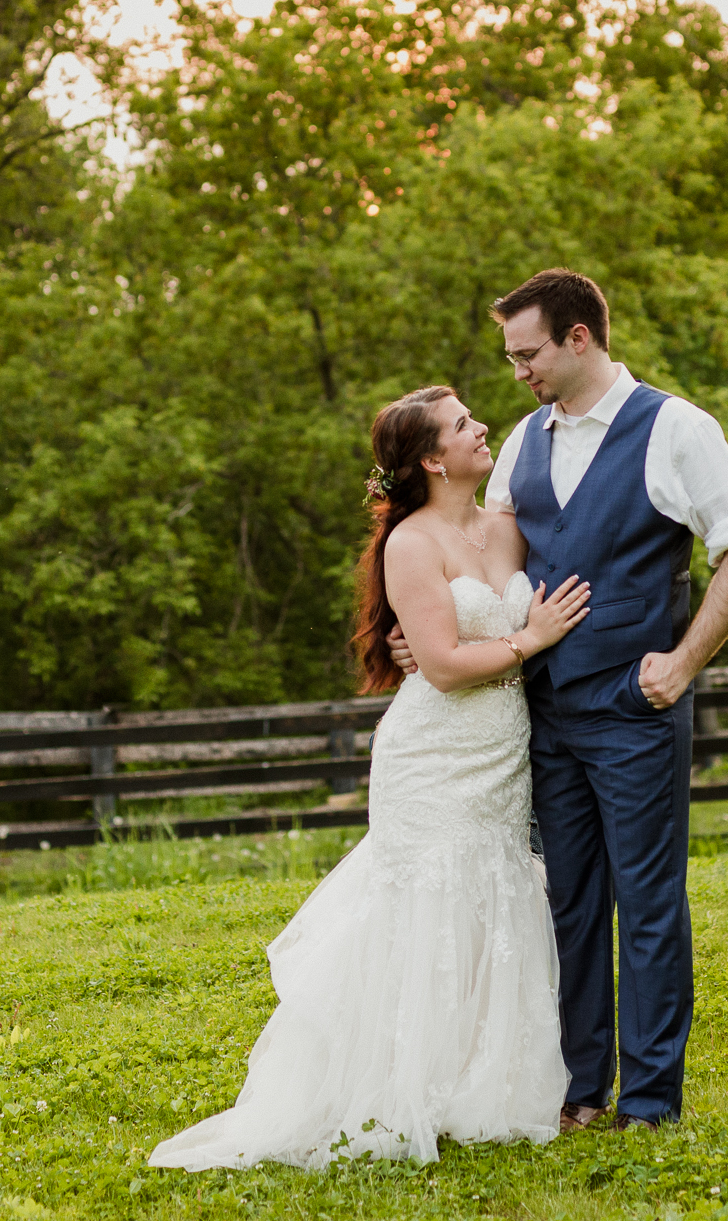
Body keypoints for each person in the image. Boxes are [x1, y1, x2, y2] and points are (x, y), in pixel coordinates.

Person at [149, 385, 589, 1171]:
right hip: (433, 755)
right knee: (427, 906)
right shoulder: (411, 545)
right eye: (462, 425)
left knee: (490, 898)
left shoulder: (508, 526)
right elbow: (448, 667)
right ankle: (400, 1079)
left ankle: (478, 1078)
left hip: (501, 754)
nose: (481, 425)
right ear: (431, 458)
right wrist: (532, 637)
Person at [389, 269, 728, 1131]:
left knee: (645, 904)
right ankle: (578, 1091)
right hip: (542, 718)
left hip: (634, 714)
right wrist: (427, 629)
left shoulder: (676, 428)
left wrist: (680, 663)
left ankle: (647, 1101)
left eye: (526, 352)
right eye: (510, 355)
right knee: (564, 905)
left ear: (577, 337)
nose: (517, 369)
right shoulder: (524, 442)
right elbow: (477, 555)